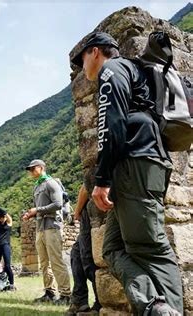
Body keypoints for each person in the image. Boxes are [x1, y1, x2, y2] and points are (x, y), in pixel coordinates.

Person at [71, 31, 183, 315]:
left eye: (81, 59)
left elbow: (113, 123)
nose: (81, 68)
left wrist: (102, 180)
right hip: (138, 166)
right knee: (111, 248)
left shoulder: (114, 69)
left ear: (95, 52)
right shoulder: (134, 71)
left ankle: (169, 311)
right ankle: (155, 306)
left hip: (136, 164)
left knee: (151, 248)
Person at [22, 159, 71, 305]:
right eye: (29, 169)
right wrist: (30, 214)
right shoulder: (37, 187)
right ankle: (49, 292)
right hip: (40, 227)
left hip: (52, 226)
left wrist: (37, 210)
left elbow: (58, 204)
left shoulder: (51, 183)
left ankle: (66, 295)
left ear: (41, 168)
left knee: (56, 261)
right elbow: (38, 207)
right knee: (44, 263)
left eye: (33, 169)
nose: (30, 171)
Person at [65, 184, 101, 315]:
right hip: (89, 211)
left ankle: (100, 304)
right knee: (76, 253)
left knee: (89, 258)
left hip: (92, 212)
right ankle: (80, 301)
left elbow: (86, 186)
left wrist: (77, 211)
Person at [0, 213, 16, 291]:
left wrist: (4, 213)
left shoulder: (8, 223)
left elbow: (8, 217)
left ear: (5, 217)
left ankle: (12, 284)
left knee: (7, 266)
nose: (1, 219)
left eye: (2, 217)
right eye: (0, 217)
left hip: (5, 245)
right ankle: (0, 282)